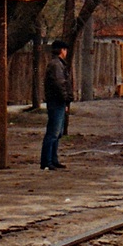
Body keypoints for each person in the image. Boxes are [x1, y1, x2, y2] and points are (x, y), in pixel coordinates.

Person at [41, 40, 74, 170]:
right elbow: (60, 84)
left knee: (57, 132)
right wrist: (66, 98)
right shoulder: (56, 65)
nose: (66, 52)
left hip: (57, 101)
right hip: (56, 101)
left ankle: (52, 160)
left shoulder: (57, 64)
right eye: (65, 49)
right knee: (53, 132)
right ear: (62, 50)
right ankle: (47, 161)